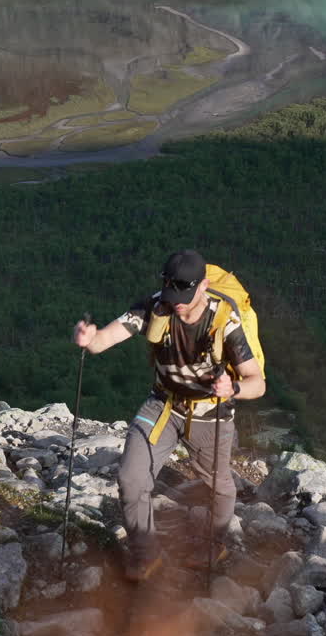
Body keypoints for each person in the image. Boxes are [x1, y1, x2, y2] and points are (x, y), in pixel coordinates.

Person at [72, 249, 265, 581]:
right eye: (173, 293)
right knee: (131, 477)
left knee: (220, 486)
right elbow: (105, 340)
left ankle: (212, 546)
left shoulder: (225, 322)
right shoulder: (156, 305)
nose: (178, 302)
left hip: (210, 412)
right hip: (162, 405)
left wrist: (232, 388)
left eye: (186, 295)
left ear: (203, 286)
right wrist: (90, 340)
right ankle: (146, 555)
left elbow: (257, 382)